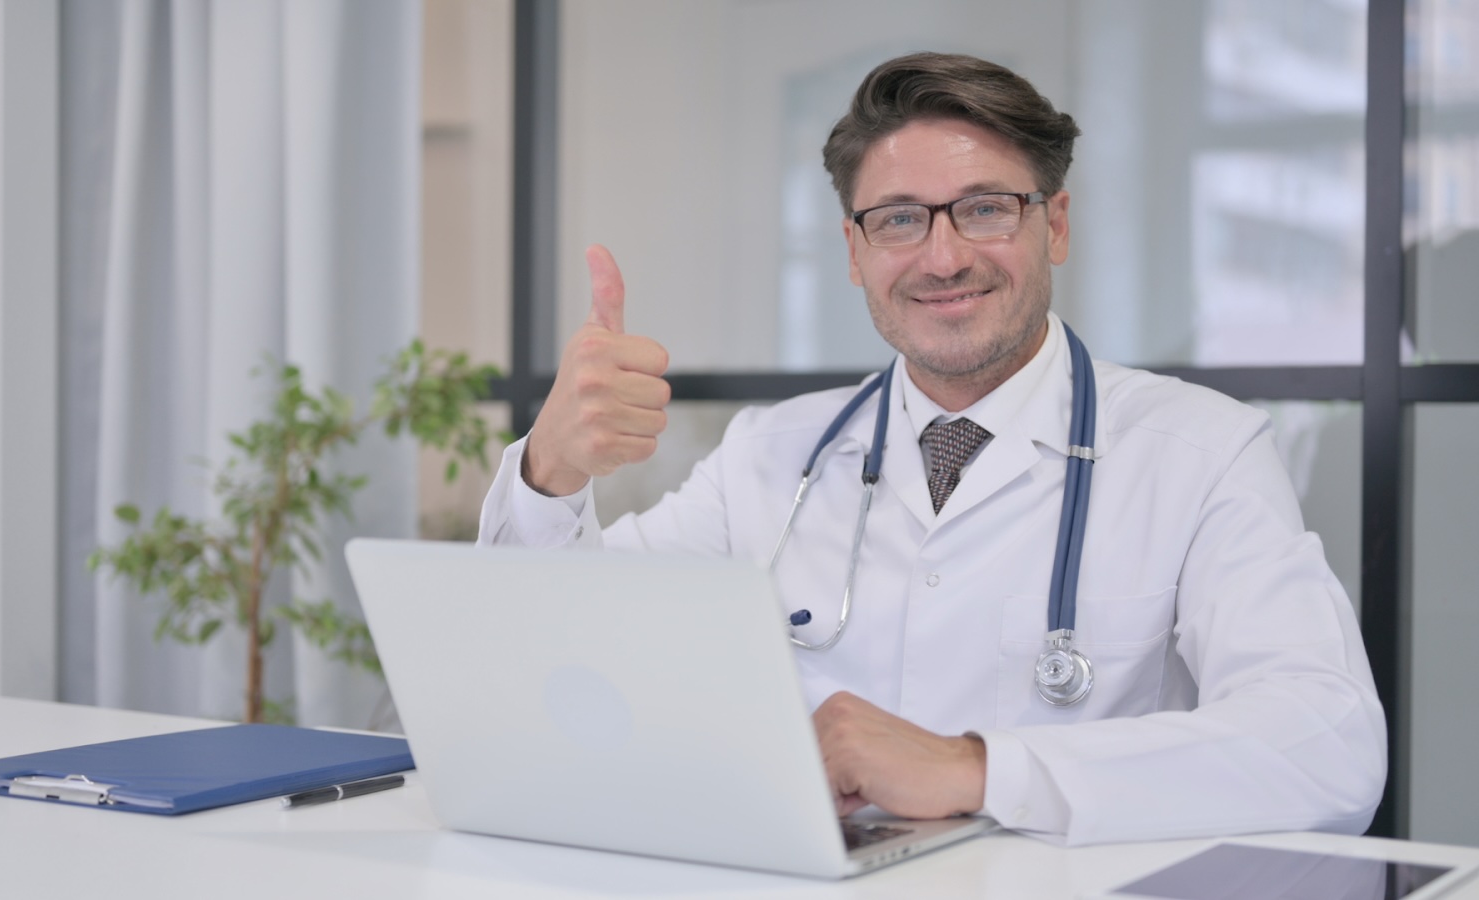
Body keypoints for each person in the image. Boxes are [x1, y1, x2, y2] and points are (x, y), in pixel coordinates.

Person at [476, 52, 1386, 846]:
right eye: (900, 218)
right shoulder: (771, 454)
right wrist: (551, 472)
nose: (943, 258)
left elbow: (1326, 743)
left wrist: (978, 771)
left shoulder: (1198, 450)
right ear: (853, 248)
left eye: (984, 209)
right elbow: (546, 658)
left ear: (1054, 224)